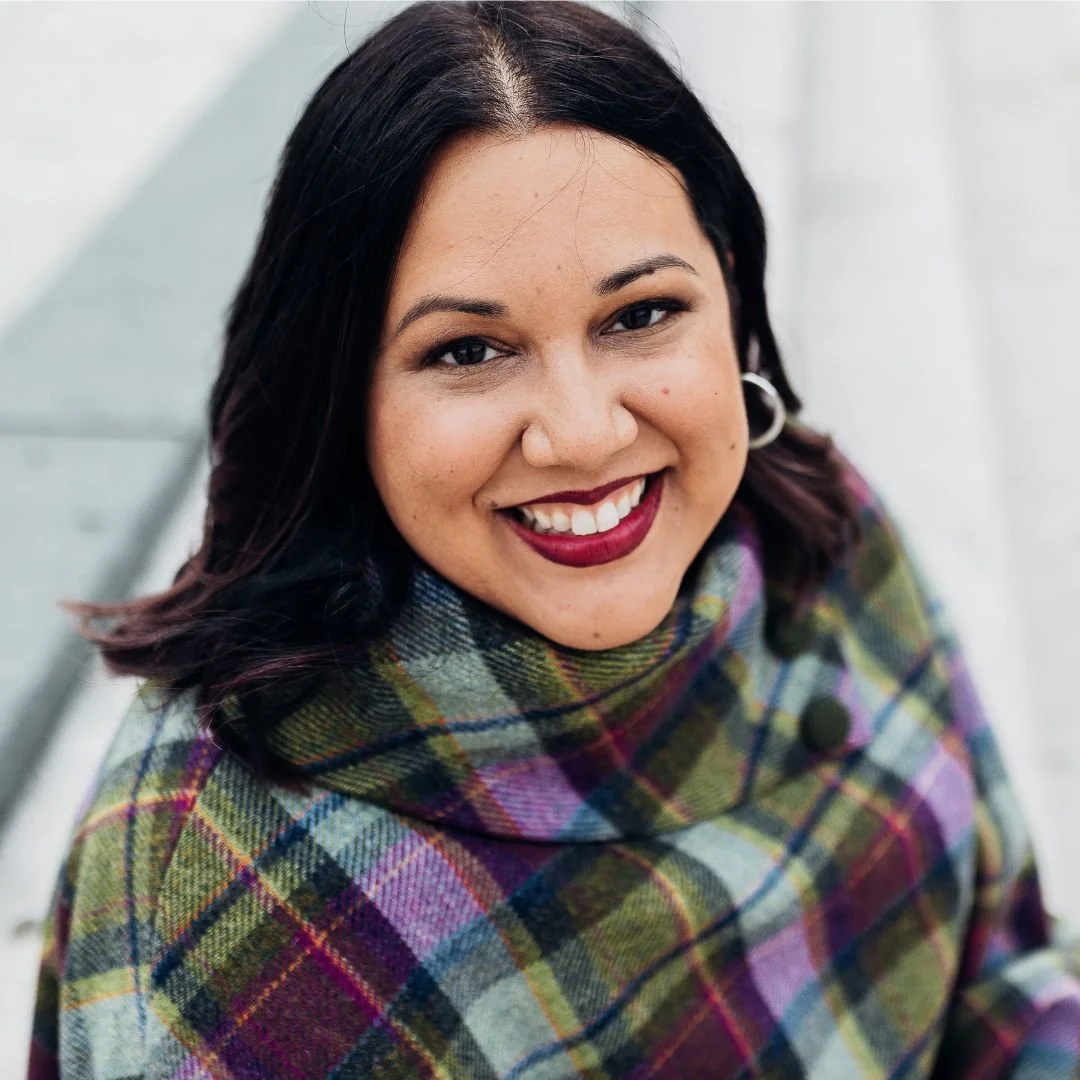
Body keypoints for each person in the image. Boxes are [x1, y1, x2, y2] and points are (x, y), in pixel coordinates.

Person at [27, 2, 1080, 1077]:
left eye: (639, 316)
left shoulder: (816, 530)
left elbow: (1003, 977)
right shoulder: (223, 881)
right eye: (469, 349)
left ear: (732, 298)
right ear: (340, 393)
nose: (585, 434)